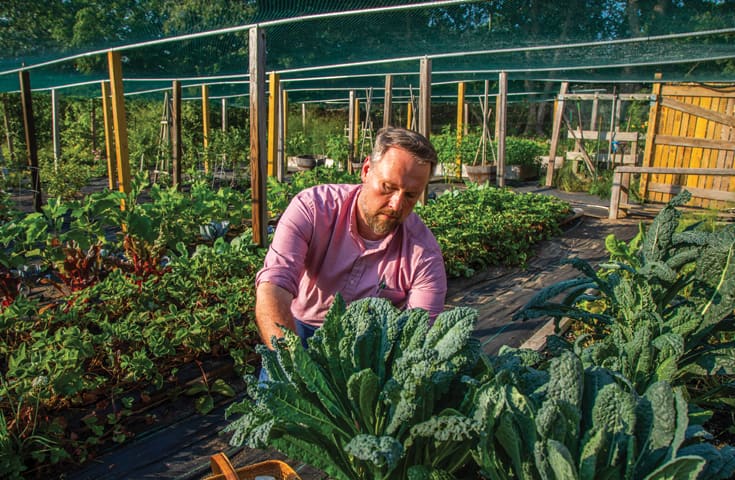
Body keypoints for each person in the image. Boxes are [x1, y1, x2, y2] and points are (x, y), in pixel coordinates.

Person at [254, 126, 447, 351]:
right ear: (366, 170)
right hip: (299, 329)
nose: (396, 204)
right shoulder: (313, 209)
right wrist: (294, 364)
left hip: (369, 346)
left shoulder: (424, 254)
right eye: (388, 187)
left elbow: (417, 335)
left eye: (411, 195)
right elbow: (273, 287)